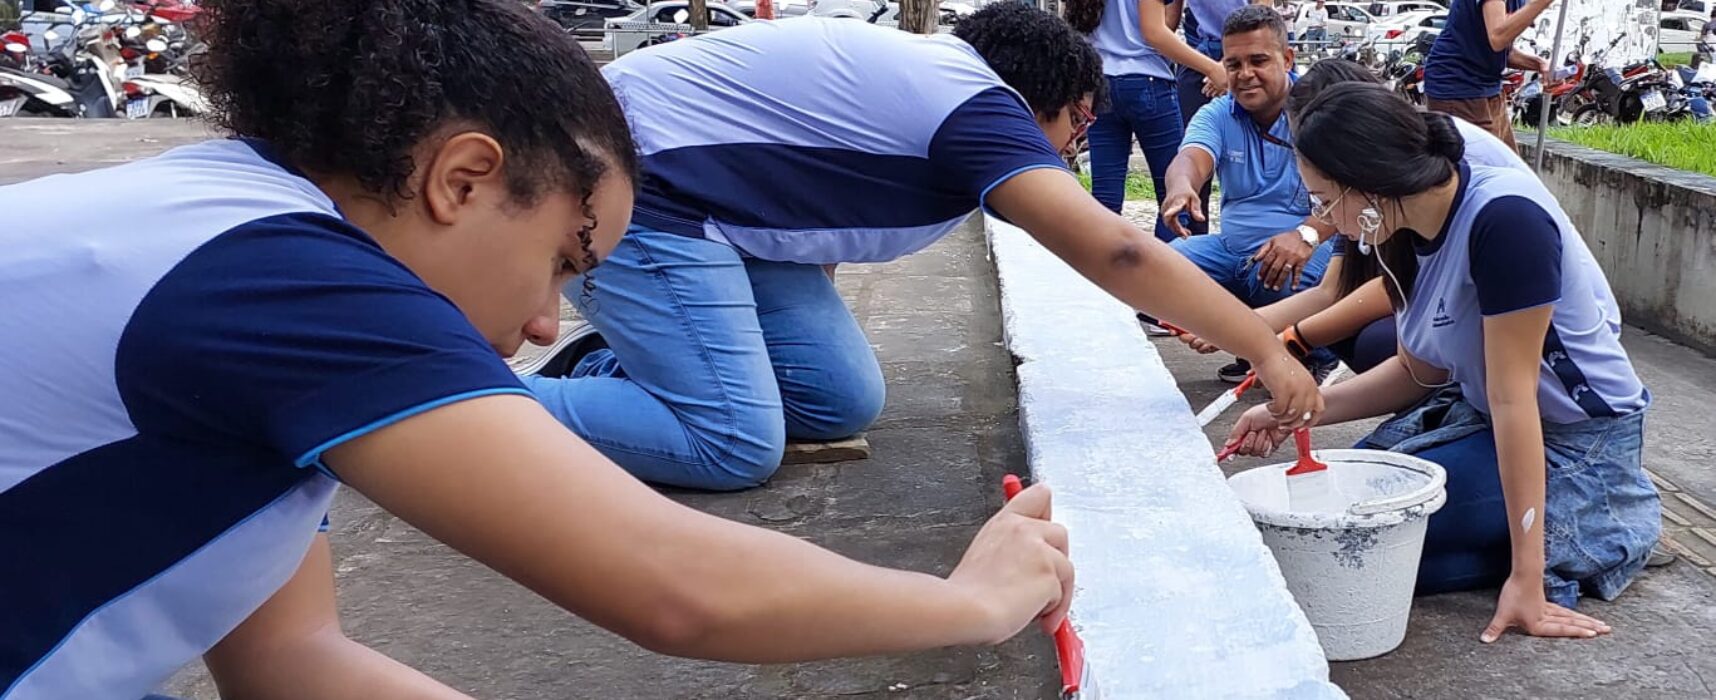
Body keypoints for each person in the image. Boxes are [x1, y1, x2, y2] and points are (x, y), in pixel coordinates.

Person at [0, 2, 1085, 697]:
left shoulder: (229, 233)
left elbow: (292, 660)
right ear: (463, 179)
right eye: (569, 258)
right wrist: (970, 601)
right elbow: (676, 588)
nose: (545, 323)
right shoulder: (283, 276)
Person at [522, 5, 1324, 492]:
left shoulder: (935, 90)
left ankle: (630, 366)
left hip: (721, 219)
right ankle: (469, 402)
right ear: (1037, 99)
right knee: (733, 443)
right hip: (628, 194)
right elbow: (1116, 251)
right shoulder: (975, 105)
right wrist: (1265, 344)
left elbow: (812, 204)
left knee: (836, 399)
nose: (1074, 147)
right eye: (1078, 123)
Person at [1230, 82, 1661, 643]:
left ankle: (1603, 522)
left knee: (1362, 554)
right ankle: (1522, 534)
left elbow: (1514, 400)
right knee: (1341, 517)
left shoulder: (1505, 220)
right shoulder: (1401, 228)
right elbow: (1418, 371)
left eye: (1325, 199)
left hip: (1577, 438)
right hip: (1485, 416)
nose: (1324, 217)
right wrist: (1295, 414)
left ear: (1370, 182)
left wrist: (1529, 581)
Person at [1172, 58, 1531, 375]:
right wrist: (1249, 332)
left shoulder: (1442, 177)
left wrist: (1291, 338)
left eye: (1324, 198)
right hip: (1469, 342)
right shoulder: (1371, 187)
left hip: (1508, 349)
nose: (1325, 220)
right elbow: (1336, 289)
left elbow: (1400, 286)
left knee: (1376, 340)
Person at [1158, 6, 1341, 383]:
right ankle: (1254, 347)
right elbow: (1190, 158)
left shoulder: (1319, 111)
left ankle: (1314, 351)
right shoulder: (1218, 113)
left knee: (1290, 275)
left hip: (1304, 249)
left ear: (1287, 59)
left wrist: (1307, 234)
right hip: (1232, 249)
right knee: (1161, 268)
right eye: (1233, 64)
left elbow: (1353, 194)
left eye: (1258, 60)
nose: (1245, 75)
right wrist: (1180, 188)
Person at [1062, 0, 1200, 241]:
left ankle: (1103, 272)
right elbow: (1155, 32)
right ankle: (1163, 272)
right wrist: (1212, 68)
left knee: (1105, 199)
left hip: (1101, 81)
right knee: (1174, 195)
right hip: (1147, 80)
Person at [1422, 0, 1553, 149]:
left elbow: (1504, 51)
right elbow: (1498, 38)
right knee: (1480, 166)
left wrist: (1539, 64)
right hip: (1458, 88)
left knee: (1509, 166)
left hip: (1489, 88)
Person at [1170, 0, 1249, 238]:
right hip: (1200, 58)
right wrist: (1211, 69)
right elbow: (1166, 24)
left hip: (1248, 53)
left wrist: (1226, 66)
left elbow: (1262, 14)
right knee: (1194, 151)